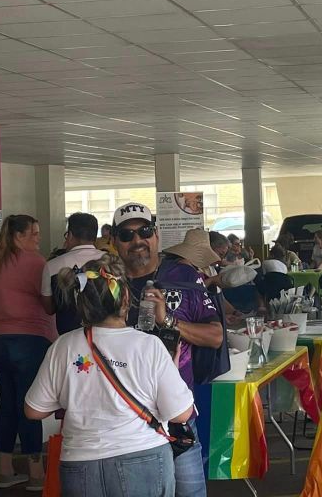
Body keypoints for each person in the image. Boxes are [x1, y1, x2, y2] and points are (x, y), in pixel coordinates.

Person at [25, 256, 194, 497]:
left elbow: (33, 411)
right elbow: (181, 414)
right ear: (125, 298)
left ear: (81, 300)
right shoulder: (149, 346)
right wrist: (172, 368)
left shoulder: (63, 347)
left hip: (80, 465)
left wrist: (75, 390)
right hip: (144, 459)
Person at [113, 202, 222, 497]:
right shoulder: (109, 283)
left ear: (156, 234)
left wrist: (169, 321)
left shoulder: (183, 276)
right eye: (127, 235)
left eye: (145, 231)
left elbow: (215, 336)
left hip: (176, 416)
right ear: (114, 241)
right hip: (124, 420)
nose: (138, 240)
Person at [0, 214, 55, 490]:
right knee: (29, 406)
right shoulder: (36, 262)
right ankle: (36, 473)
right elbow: (49, 302)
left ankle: (4, 470)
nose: (38, 238)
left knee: (8, 403)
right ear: (18, 236)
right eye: (33, 233)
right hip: (27, 339)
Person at [40, 213, 104, 335]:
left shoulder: (52, 266)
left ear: (69, 235)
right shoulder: (111, 262)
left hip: (68, 336)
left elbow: (49, 308)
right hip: (105, 334)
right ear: (95, 237)